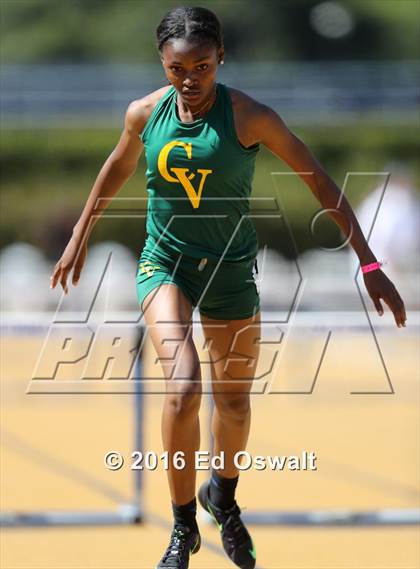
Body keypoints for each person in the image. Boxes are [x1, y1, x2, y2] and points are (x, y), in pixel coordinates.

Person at [50, 6, 407, 569]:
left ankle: (225, 497)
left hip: (231, 270)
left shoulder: (249, 116)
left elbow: (316, 179)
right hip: (164, 265)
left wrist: (368, 264)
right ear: (161, 65)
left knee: (234, 404)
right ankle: (183, 525)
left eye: (202, 66)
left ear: (221, 58)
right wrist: (79, 235)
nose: (189, 81)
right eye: (176, 69)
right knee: (184, 386)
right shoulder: (144, 114)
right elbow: (116, 168)